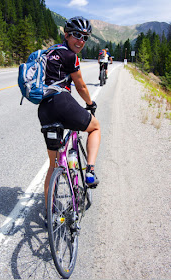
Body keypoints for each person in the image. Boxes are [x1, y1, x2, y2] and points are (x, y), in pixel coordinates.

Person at [38, 16, 101, 208]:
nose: (81, 41)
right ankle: (89, 171)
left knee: (53, 164)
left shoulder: (49, 52)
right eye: (76, 35)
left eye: (85, 37)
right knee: (95, 128)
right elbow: (81, 86)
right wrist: (90, 104)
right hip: (61, 102)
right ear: (66, 35)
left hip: (44, 109)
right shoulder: (70, 56)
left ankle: (50, 211)